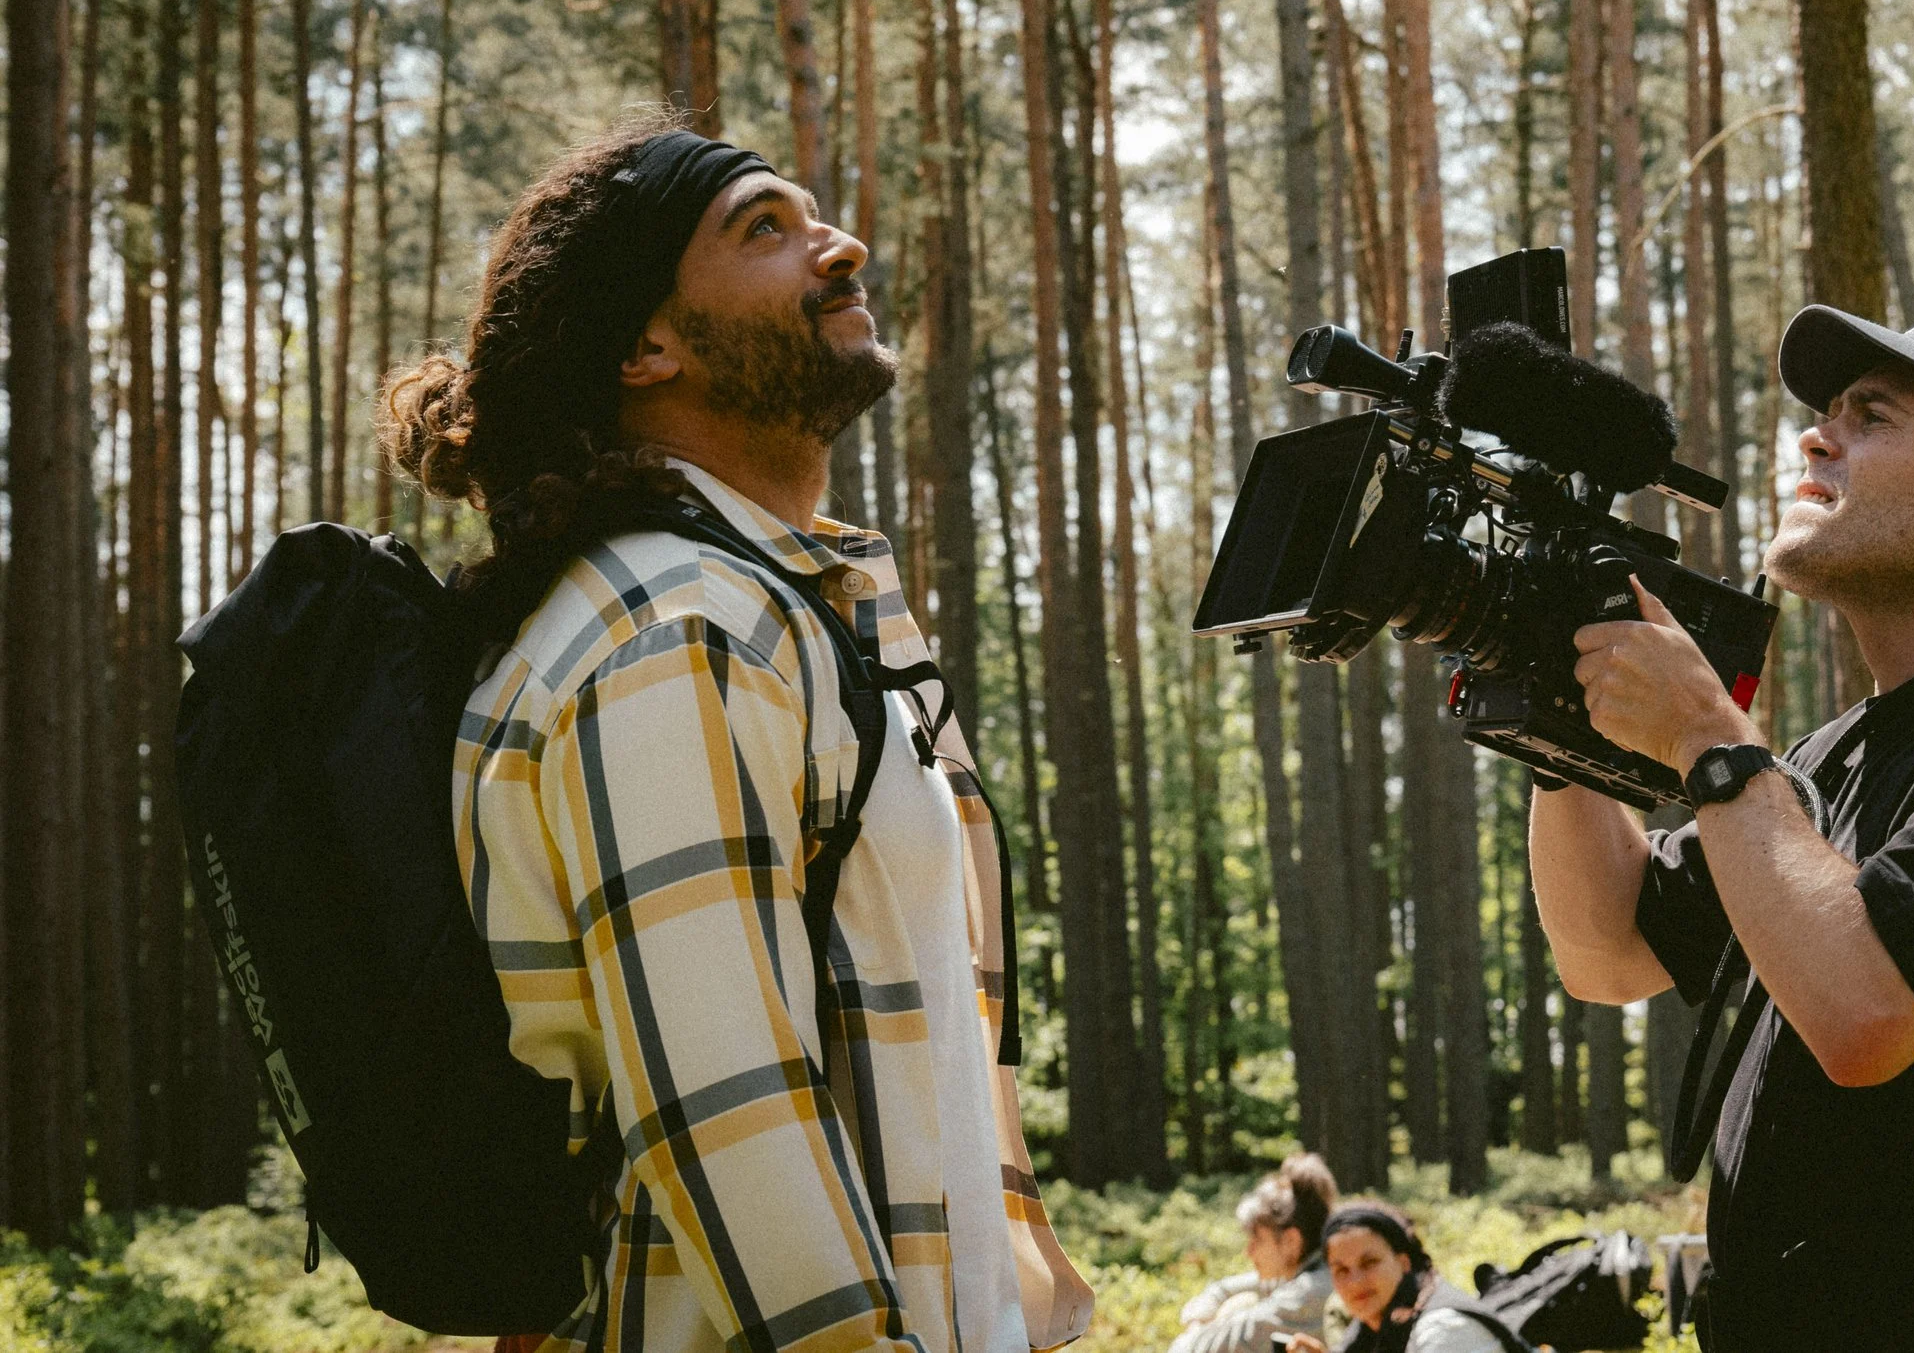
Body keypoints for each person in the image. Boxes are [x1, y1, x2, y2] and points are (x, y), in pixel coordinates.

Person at [382, 114, 1091, 1353]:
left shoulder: (768, 610)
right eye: (764, 228)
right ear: (644, 345)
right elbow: (727, 1114)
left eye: (813, 216)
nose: (840, 245)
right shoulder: (674, 631)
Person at [1531, 308, 1914, 1352]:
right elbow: (1610, 948)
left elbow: (1867, 1019)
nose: (1815, 438)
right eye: (1826, 414)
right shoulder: (1822, 760)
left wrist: (1707, 737)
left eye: (1871, 416)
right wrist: (1559, 724)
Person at [1169, 1154, 1338, 1353]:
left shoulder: (1309, 1295)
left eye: (1257, 1239)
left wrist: (1195, 1330)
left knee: (1239, 1306)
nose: (1248, 1252)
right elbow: (1223, 1289)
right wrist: (1199, 1318)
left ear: (1291, 1241)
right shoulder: (1318, 1272)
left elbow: (1190, 1349)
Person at [1283, 1203, 1505, 1353]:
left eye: (1369, 1263)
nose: (1355, 1281)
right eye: (1341, 1270)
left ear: (1403, 1262)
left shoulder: (1443, 1329)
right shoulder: (1369, 1329)